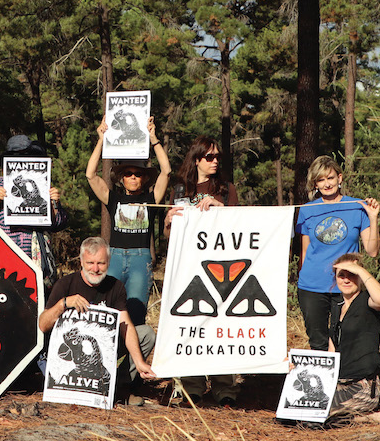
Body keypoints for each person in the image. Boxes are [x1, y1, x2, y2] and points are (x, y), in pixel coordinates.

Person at [164, 136, 241, 406]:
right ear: (196, 159)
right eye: (210, 157)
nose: (215, 161)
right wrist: (168, 221)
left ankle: (224, 388)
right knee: (191, 323)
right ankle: (192, 386)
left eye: (218, 156)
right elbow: (169, 235)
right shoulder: (180, 190)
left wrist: (221, 208)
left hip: (221, 268)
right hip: (189, 268)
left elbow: (240, 226)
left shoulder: (226, 189)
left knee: (220, 326)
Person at [39, 237, 156, 405]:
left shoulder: (116, 286)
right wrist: (63, 304)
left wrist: (139, 362)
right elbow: (43, 325)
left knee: (146, 334)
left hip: (105, 350)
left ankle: (119, 387)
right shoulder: (65, 284)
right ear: (81, 262)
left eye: (101, 263)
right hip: (69, 356)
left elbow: (126, 326)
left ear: (108, 262)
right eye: (90, 263)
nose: (95, 269)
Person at [84, 116, 171, 324]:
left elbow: (166, 171)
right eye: (128, 173)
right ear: (121, 178)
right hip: (113, 257)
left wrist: (154, 139)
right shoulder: (113, 198)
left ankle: (134, 346)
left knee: (136, 312)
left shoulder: (151, 199)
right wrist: (101, 140)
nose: (133, 177)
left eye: (138, 174)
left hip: (141, 259)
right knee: (108, 311)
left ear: (144, 178)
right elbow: (90, 175)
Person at [296, 156, 380, 351]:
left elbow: (372, 251)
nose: (327, 184)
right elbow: (305, 250)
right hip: (312, 286)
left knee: (344, 340)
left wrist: (373, 218)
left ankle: (345, 373)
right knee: (318, 342)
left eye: (330, 178)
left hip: (345, 285)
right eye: (321, 180)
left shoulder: (357, 206)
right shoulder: (307, 210)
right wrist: (303, 277)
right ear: (315, 184)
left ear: (339, 178)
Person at [0, 135, 68, 293]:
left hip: (34, 258)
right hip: (2, 256)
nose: (22, 161)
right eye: (16, 158)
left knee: (35, 298)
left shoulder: (42, 183)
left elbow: (59, 223)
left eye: (27, 157)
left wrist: (53, 204)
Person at [326, 253, 380, 424]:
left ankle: (369, 416)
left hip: (366, 384)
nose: (346, 280)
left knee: (324, 415)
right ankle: (363, 416)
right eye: (341, 275)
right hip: (342, 382)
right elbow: (332, 351)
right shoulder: (337, 306)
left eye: (352, 274)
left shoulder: (367, 301)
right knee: (305, 411)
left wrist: (360, 270)